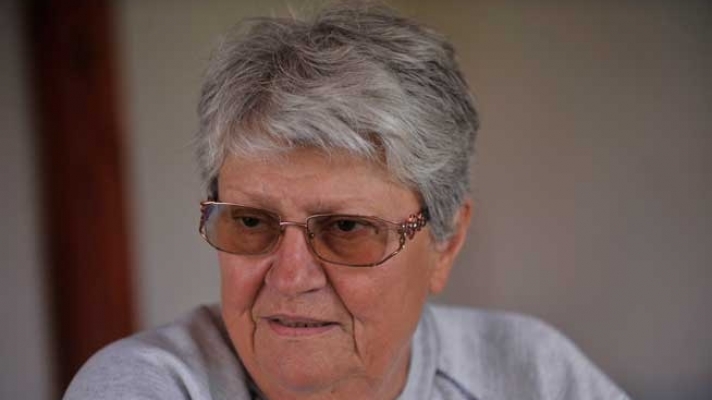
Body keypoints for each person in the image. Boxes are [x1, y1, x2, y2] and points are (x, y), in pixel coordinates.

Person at [65, 2, 630, 399]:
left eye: (346, 228)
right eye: (253, 222)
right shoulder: (147, 386)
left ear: (446, 244)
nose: (290, 278)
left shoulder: (532, 375)